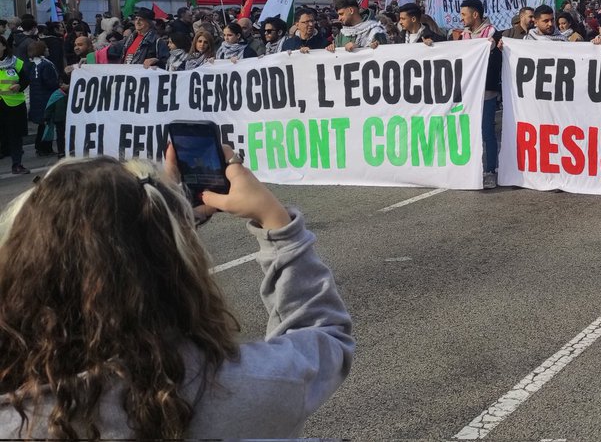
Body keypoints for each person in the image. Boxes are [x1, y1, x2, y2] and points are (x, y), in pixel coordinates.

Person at [0, 146, 352, 439]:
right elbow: (323, 336)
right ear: (174, 271)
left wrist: (165, 213)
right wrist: (274, 221)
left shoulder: (18, 417)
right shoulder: (246, 385)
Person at [454, 0, 501, 189]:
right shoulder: (462, 36)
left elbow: (496, 61)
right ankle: (469, 168)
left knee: (486, 130)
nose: (461, 18)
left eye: (464, 14)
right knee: (466, 128)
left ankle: (490, 170)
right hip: (467, 90)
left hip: (486, 90)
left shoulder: (493, 35)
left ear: (475, 15)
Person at [0, 36, 29, 175]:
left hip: (14, 105)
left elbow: (26, 78)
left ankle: (17, 164)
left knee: (15, 136)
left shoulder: (15, 62)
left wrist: (20, 85)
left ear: (4, 46)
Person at [25, 41, 57, 158]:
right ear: (41, 50)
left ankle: (39, 147)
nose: (48, 50)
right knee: (48, 125)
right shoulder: (46, 64)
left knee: (42, 125)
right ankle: (45, 148)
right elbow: (50, 82)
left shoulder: (32, 64)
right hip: (47, 97)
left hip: (36, 98)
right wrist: (58, 84)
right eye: (46, 48)